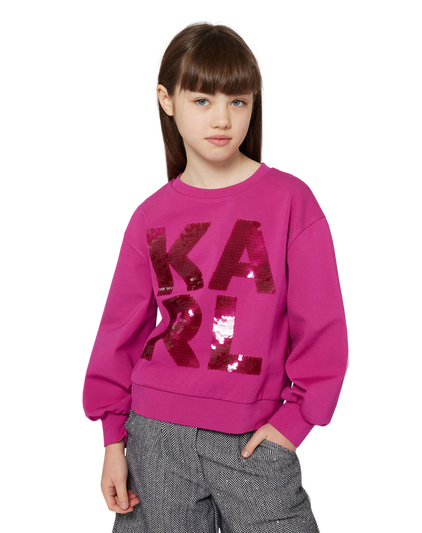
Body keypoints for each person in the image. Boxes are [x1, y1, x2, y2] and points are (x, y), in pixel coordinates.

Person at [79, 14, 352, 533]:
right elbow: (118, 333)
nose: (222, 119)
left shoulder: (292, 200)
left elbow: (322, 325)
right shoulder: (148, 215)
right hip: (155, 436)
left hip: (255, 438)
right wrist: (112, 440)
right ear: (166, 99)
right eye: (202, 100)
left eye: (238, 101)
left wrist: (295, 423)